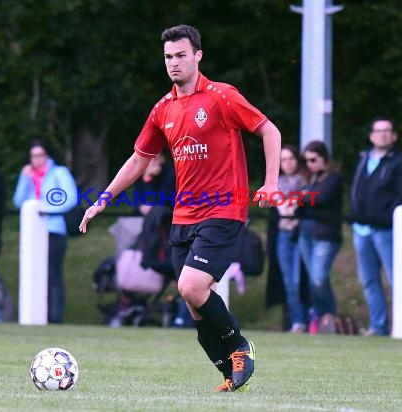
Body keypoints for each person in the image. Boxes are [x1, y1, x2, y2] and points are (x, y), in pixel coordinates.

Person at [79, 24, 281, 392]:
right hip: (183, 217)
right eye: (169, 57)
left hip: (223, 210)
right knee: (195, 304)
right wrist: (102, 200)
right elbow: (139, 160)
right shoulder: (163, 109)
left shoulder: (222, 96)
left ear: (198, 56)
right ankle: (227, 373)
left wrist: (271, 182)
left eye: (181, 55)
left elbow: (270, 130)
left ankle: (240, 347)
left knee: (190, 286)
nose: (174, 63)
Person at [350, 117, 402, 336]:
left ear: (394, 136)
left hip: (386, 230)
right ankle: (379, 327)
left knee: (396, 279)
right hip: (362, 230)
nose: (383, 134)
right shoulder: (363, 158)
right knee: (369, 280)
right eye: (379, 130)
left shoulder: (401, 162)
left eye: (388, 130)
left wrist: (386, 218)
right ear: (371, 135)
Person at [13, 140, 77, 323]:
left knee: (53, 273)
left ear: (47, 156)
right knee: (34, 274)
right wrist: (24, 179)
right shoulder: (28, 174)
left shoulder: (58, 173)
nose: (37, 159)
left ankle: (55, 317)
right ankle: (37, 315)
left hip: (53, 229)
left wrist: (45, 209)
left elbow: (70, 198)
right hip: (33, 232)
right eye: (33, 156)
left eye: (40, 155)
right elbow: (19, 201)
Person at [296, 141, 343, 334]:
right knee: (311, 278)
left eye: (313, 159)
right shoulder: (311, 179)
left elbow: (320, 198)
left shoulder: (335, 178)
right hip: (306, 232)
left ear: (324, 158)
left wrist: (302, 197)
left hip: (325, 233)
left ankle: (327, 313)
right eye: (306, 160)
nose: (309, 164)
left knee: (318, 278)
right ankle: (320, 316)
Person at [276, 145, 308, 333]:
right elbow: (284, 209)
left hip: (300, 232)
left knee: (299, 279)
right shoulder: (278, 181)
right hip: (283, 233)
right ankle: (297, 320)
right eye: (283, 160)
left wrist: (292, 203)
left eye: (291, 159)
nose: (287, 163)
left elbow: (292, 206)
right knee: (289, 279)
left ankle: (308, 317)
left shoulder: (305, 180)